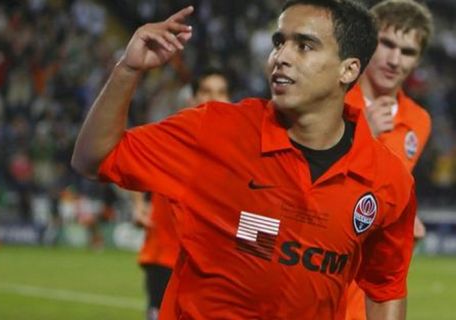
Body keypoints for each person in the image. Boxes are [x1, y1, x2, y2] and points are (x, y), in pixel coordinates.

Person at [72, 1, 416, 319]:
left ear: (348, 69)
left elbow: (385, 287)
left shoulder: (387, 180)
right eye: (279, 42)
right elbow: (93, 158)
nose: (281, 57)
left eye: (305, 46)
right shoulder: (216, 130)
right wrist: (128, 70)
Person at [343, 0, 434, 319]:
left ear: (418, 59)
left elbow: (393, 187)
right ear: (369, 41)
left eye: (408, 51)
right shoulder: (332, 99)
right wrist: (359, 129)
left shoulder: (418, 121)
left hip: (372, 288)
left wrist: (408, 217)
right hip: (324, 266)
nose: (395, 60)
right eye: (387, 44)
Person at [133, 68, 231, 320]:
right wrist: (138, 205)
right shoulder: (175, 135)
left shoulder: (237, 148)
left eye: (221, 92)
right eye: (206, 91)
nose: (214, 98)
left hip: (209, 264)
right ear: (193, 98)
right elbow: (132, 156)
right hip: (165, 255)